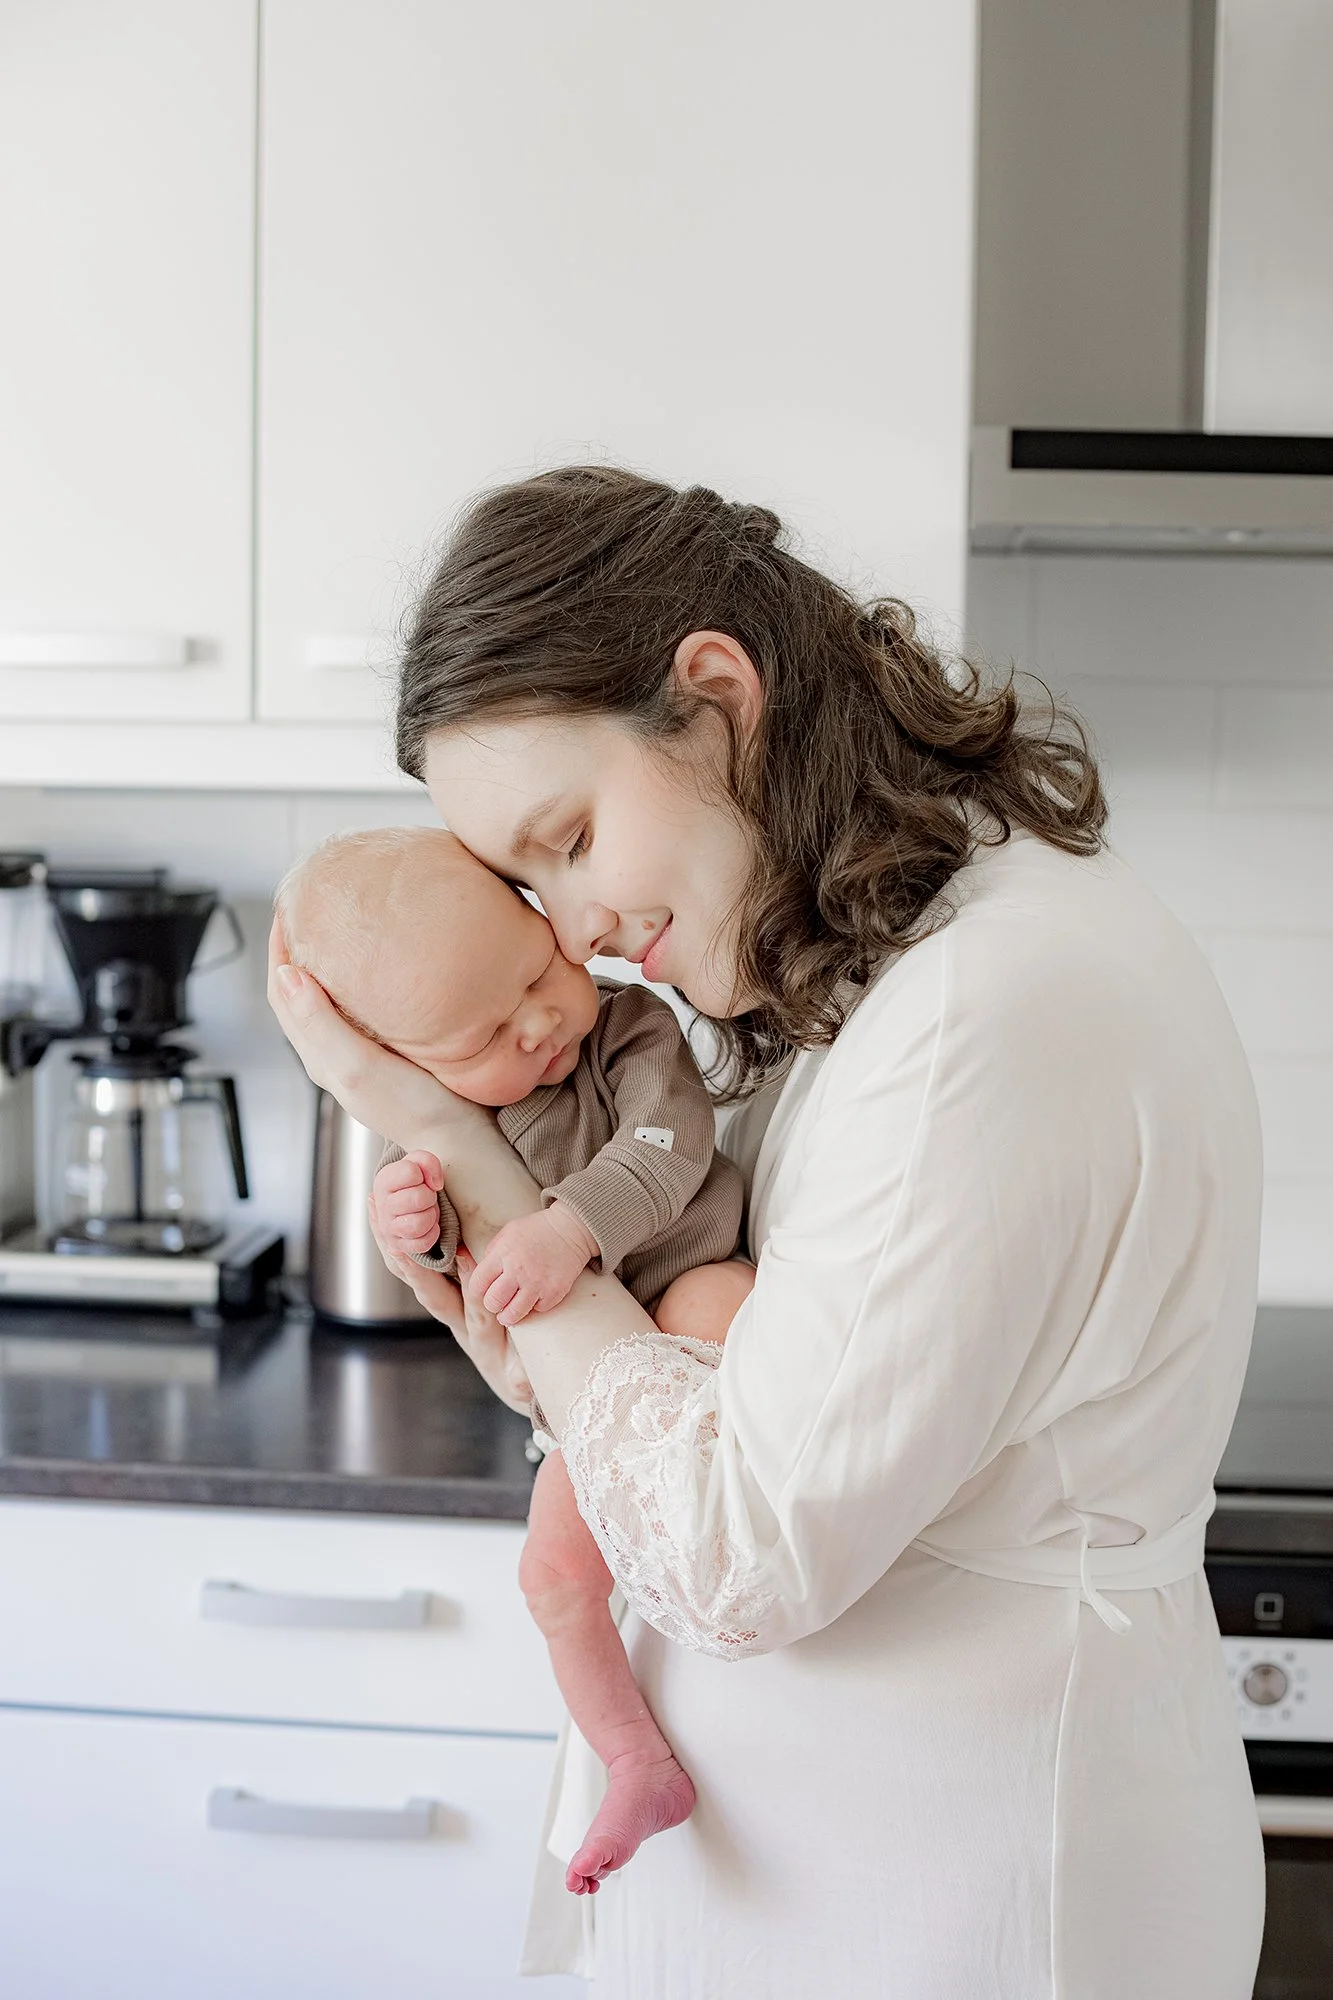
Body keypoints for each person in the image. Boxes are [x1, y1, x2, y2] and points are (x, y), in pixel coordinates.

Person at [269, 466, 1266, 1999]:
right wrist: (500, 1273)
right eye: (525, 881)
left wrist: (454, 1137)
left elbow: (736, 1555)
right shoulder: (872, 965)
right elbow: (661, 1414)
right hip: (838, 1886)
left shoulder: (977, 1013)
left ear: (717, 695)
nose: (573, 927)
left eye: (570, 836)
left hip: (958, 1904)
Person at [274, 825, 751, 1894]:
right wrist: (411, 1226)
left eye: (537, 967)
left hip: (689, 1280)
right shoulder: (437, 1127)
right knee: (549, 1577)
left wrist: (571, 1228)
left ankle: (701, 1527)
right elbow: (452, 1267)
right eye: (487, 1029)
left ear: (539, 918)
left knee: (722, 1302)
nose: (540, 1019)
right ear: (406, 1066)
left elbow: (670, 1143)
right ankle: (635, 1759)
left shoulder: (626, 1025)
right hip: (577, 1394)